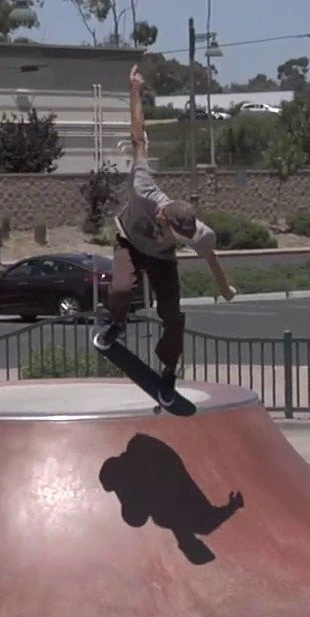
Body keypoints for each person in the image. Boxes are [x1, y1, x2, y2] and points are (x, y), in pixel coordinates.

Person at [93, 64, 238, 405]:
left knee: (173, 317)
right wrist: (135, 91)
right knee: (120, 287)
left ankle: (168, 371)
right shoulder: (143, 186)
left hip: (161, 261)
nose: (183, 239)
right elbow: (137, 134)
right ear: (163, 216)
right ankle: (116, 324)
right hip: (128, 241)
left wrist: (224, 288)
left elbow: (210, 255)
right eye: (177, 233)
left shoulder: (193, 229)